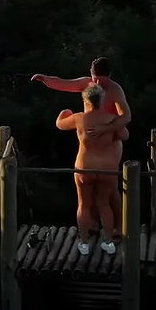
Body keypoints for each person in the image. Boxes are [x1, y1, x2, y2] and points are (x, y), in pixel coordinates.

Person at [31, 57, 132, 238]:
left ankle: (119, 226)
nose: (97, 83)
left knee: (110, 188)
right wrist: (45, 79)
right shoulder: (87, 84)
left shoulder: (116, 91)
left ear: (109, 76)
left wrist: (106, 128)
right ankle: (92, 224)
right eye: (95, 78)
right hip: (89, 139)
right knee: (89, 189)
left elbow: (126, 117)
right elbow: (65, 83)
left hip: (110, 139)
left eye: (101, 79)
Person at [56, 84, 127, 254]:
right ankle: (108, 242)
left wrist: (64, 113)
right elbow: (125, 135)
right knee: (104, 204)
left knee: (84, 204)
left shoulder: (79, 118)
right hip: (107, 169)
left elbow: (59, 124)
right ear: (102, 100)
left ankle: (84, 243)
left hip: (84, 167)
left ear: (85, 100)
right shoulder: (111, 119)